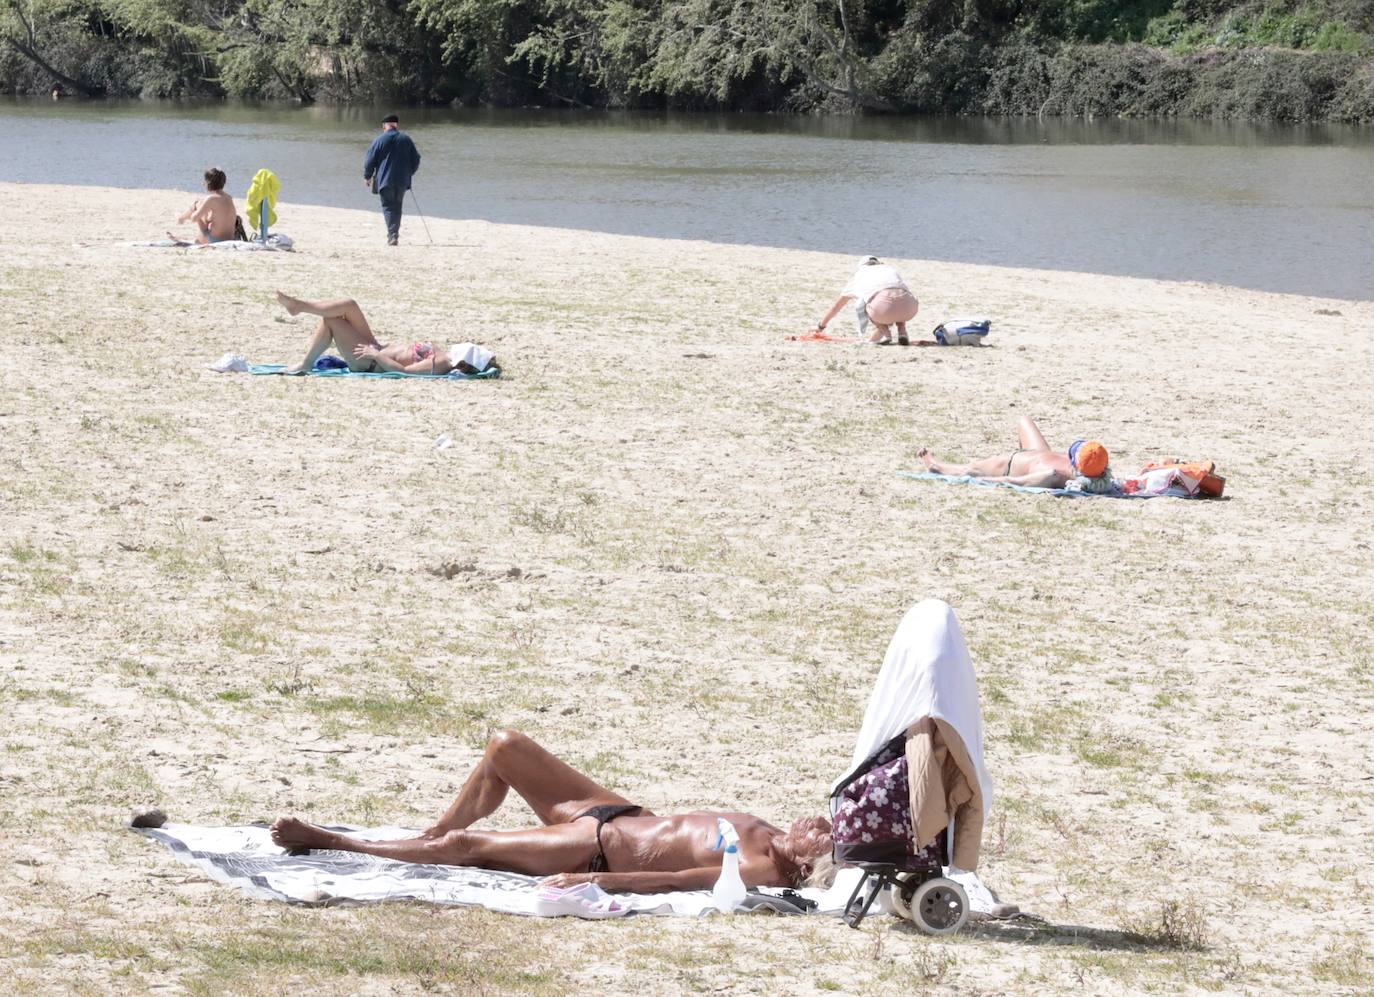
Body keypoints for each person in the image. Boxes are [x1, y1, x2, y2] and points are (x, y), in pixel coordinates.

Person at [270, 729, 835, 893]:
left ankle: (329, 841)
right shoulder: (769, 829)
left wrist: (599, 885)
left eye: (823, 837)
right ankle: (438, 825)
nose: (817, 823)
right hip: (614, 812)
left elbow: (685, 878)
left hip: (600, 850)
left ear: (809, 866)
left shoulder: (764, 867)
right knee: (505, 746)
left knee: (464, 853)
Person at [273, 291, 496, 376]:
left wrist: (375, 354)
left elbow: (404, 371)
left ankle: (305, 363)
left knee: (332, 320)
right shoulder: (441, 355)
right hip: (375, 348)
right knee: (350, 304)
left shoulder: (439, 364)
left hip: (369, 361)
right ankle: (299, 306)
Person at [917, 416, 1110, 489]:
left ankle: (935, 466)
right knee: (1024, 421)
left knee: (969, 469)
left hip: (1011, 464)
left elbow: (1013, 481)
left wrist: (979, 481)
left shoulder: (1052, 475)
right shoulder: (1100, 471)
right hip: (1039, 453)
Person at [809, 255, 920, 345]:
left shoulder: (860, 275)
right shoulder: (889, 269)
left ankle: (885, 332)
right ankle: (902, 331)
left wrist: (820, 327)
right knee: (898, 296)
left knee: (864, 304)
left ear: (861, 266)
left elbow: (836, 307)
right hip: (910, 309)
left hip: (883, 309)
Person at [363, 113, 421, 246]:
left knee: (388, 207)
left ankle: (392, 235)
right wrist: (409, 173)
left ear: (385, 125)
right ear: (396, 125)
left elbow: (370, 160)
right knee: (397, 206)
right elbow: (416, 159)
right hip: (402, 180)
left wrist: (367, 176)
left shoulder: (380, 140)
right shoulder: (406, 139)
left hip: (385, 180)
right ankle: (394, 233)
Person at [169, 167, 236, 244]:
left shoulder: (211, 198)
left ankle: (181, 218)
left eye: (205, 181)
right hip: (230, 238)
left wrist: (195, 211)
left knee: (197, 204)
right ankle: (181, 218)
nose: (203, 184)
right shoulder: (229, 197)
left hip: (215, 240)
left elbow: (194, 218)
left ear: (208, 183)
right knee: (202, 207)